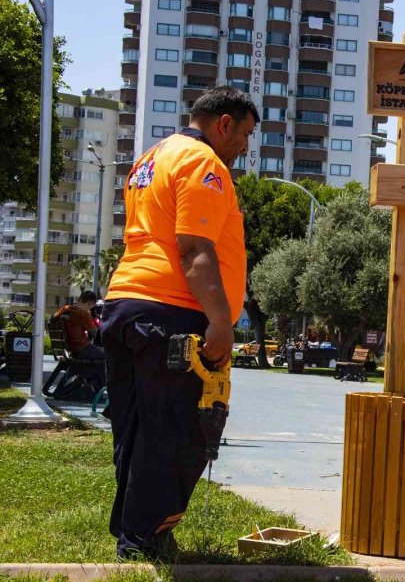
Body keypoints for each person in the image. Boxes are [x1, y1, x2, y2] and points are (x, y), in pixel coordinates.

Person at [101, 86, 258, 560]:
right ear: (223, 124)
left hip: (125, 303)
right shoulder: (203, 163)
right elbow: (194, 248)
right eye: (244, 134)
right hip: (172, 310)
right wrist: (220, 321)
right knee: (178, 429)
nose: (245, 147)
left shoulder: (151, 159)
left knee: (135, 429)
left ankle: (133, 533)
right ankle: (146, 539)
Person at [53, 290, 105, 381]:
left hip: (71, 349)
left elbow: (53, 319)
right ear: (90, 303)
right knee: (111, 354)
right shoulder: (83, 314)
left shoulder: (65, 309)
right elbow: (95, 333)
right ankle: (100, 385)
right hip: (83, 349)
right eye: (92, 306)